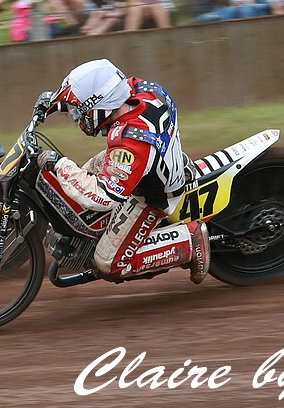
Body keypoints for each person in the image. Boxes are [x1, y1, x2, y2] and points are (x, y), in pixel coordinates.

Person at [32, 59, 208, 283]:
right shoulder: (135, 90)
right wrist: (56, 103)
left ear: (99, 107)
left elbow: (102, 197)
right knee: (80, 179)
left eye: (79, 111)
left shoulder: (129, 144)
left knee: (106, 263)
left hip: (152, 196)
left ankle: (190, 239)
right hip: (156, 161)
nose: (78, 118)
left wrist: (60, 164)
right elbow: (104, 89)